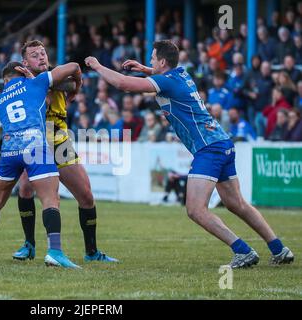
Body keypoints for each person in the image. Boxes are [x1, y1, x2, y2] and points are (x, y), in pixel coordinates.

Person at [85, 40, 294, 268]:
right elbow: (163, 77)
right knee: (237, 204)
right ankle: (279, 249)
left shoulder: (167, 82)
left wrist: (97, 65)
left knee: (195, 209)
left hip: (209, 148)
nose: (150, 61)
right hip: (222, 142)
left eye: (153, 59)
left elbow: (123, 84)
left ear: (163, 62)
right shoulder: (181, 73)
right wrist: (145, 70)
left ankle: (242, 250)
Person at [0, 61, 83, 268]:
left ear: (5, 80)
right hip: (35, 146)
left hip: (9, 149)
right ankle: (55, 251)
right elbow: (73, 67)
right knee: (50, 199)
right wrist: (75, 88)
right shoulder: (38, 82)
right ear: (21, 71)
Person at [12, 40, 118, 263]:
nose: (41, 57)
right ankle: (29, 245)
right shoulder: (20, 82)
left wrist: (75, 86)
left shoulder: (55, 75)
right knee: (25, 190)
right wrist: (62, 86)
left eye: (43, 53)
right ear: (24, 62)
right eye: (34, 55)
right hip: (35, 141)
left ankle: (91, 252)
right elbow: (53, 92)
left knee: (86, 196)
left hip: (59, 139)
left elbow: (71, 80)